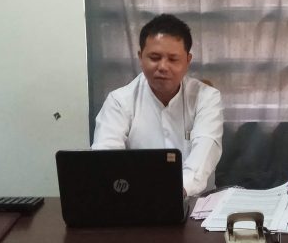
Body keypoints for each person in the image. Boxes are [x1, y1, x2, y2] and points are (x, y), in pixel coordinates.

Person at [91, 14, 223, 197]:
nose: (162, 67)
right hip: (136, 200)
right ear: (140, 57)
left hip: (196, 200)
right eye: (154, 57)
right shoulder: (119, 101)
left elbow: (205, 152)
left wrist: (174, 192)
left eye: (173, 59)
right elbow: (105, 159)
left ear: (187, 60)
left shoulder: (207, 97)